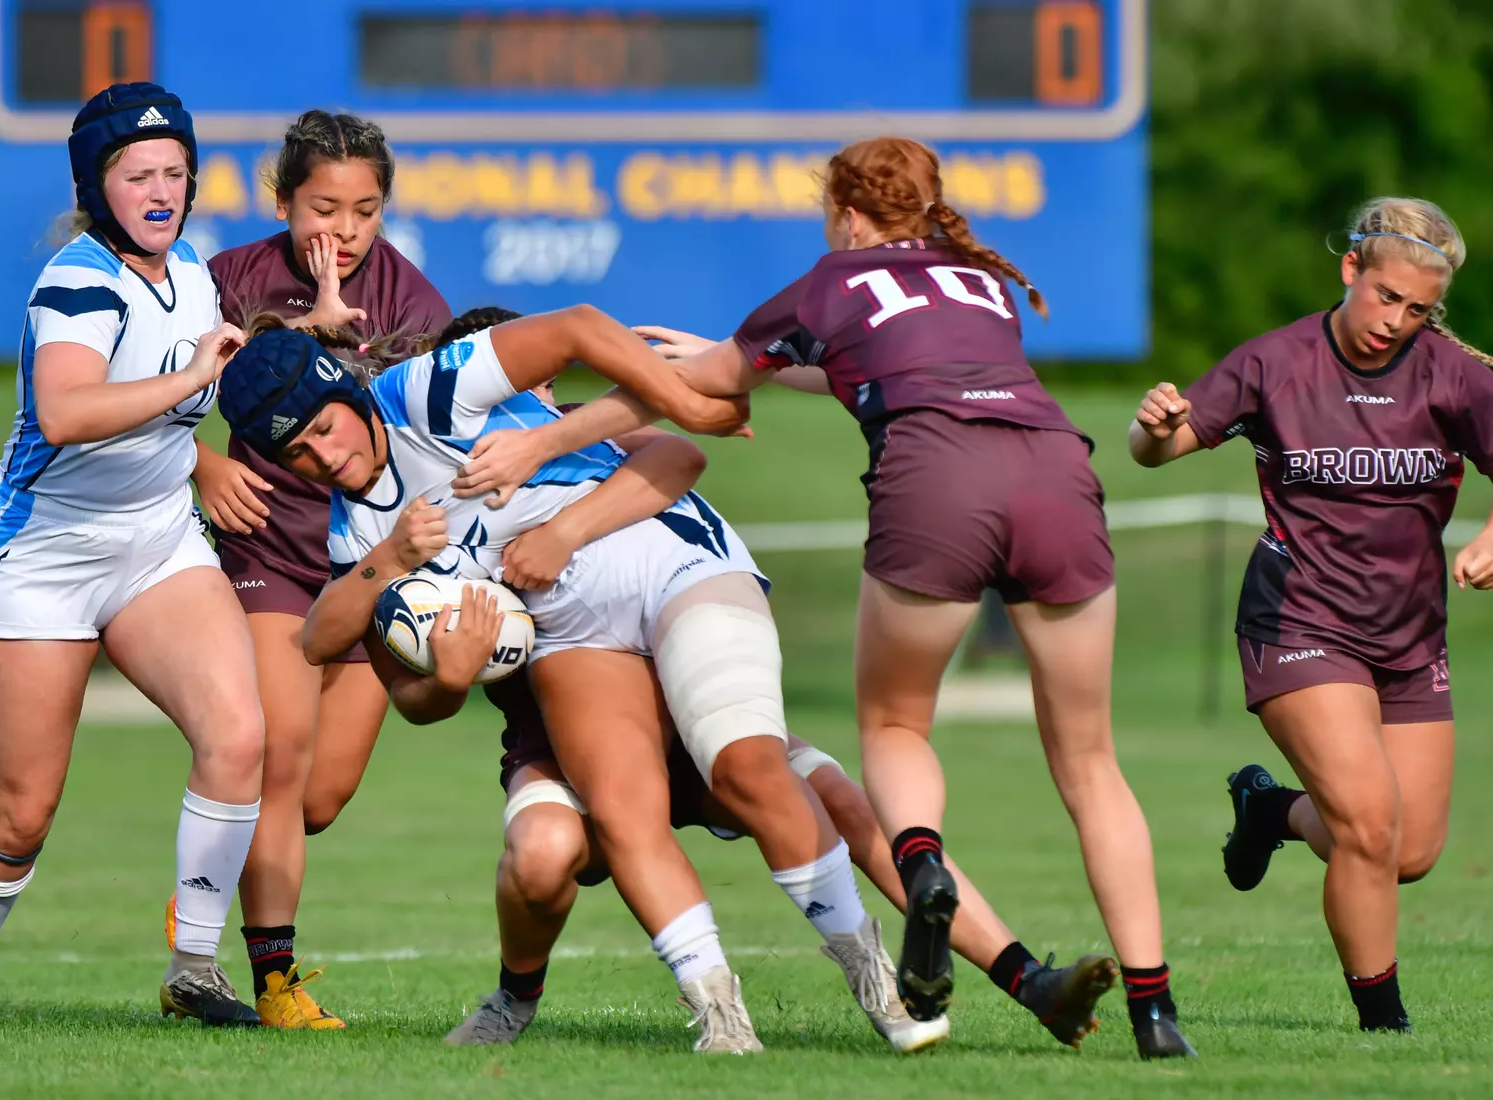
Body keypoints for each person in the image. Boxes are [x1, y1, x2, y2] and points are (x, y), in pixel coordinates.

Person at [450, 137, 1194, 1059]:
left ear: (845, 213)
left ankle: (923, 870)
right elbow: (868, 361)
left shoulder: (830, 281)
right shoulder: (980, 280)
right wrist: (730, 361)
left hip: (937, 485)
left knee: (890, 732)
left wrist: (543, 443)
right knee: (1089, 762)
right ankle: (1155, 1014)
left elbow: (689, 399)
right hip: (1057, 473)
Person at [216, 310, 949, 1055]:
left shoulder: (427, 394)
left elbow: (582, 332)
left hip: (672, 570)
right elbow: (326, 643)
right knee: (613, 819)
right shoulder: (358, 531)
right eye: (295, 452)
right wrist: (410, 590)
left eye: (322, 428)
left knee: (754, 770)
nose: (320, 455)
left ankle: (883, 979)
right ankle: (721, 1019)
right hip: (577, 636)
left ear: (345, 390)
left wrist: (685, 407)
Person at [0, 83, 264, 1027]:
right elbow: (70, 414)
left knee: (238, 736)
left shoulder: (190, 270)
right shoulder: (77, 280)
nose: (160, 189)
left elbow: (173, 405)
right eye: (137, 174)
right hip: (37, 554)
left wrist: (211, 435)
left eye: (175, 172)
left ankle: (194, 968)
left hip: (155, 539)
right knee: (20, 816)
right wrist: (192, 376)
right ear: (97, 184)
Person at [1129, 197, 1493, 1034]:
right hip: (1297, 623)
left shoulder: (1451, 373)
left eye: (1416, 308)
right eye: (1384, 296)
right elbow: (1160, 449)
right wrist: (1155, 429)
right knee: (1367, 825)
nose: (1395, 321)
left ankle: (1271, 812)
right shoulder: (1275, 361)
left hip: (1409, 635)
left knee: (1408, 851)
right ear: (1350, 270)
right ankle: (1384, 1026)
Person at [174, 109, 451, 1029]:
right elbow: (148, 398)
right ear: (284, 199)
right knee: (278, 761)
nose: (342, 229)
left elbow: (429, 440)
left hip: (374, 566)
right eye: (322, 207)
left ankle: (209, 884)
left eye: (364, 211)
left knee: (318, 797)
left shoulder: (413, 307)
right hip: (269, 555)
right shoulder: (226, 281)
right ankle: (268, 984)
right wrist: (202, 464)